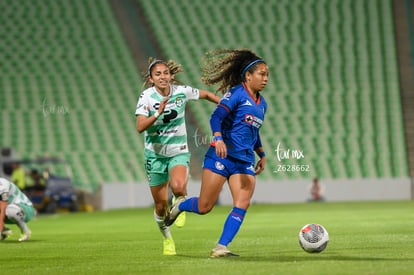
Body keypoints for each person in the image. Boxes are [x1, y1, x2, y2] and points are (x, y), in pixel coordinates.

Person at [165, 49, 269, 257]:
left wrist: (262, 153)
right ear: (248, 76)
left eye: (267, 75)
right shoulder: (237, 94)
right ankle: (182, 205)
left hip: (244, 161)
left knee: (242, 203)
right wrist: (218, 137)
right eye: (261, 74)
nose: (265, 79)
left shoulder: (262, 104)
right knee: (205, 206)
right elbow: (216, 117)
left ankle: (221, 246)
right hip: (220, 156)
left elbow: (253, 131)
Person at [135, 58, 220, 255]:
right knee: (160, 205)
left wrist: (225, 104)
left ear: (171, 75)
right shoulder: (146, 97)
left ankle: (180, 205)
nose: (163, 77)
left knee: (179, 187)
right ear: (151, 79)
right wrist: (157, 113)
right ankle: (167, 239)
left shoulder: (181, 91)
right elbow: (140, 127)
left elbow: (205, 94)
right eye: (158, 74)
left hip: (178, 151)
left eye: (166, 73)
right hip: (154, 155)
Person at [0, 177, 36, 242]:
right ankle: (4, 231)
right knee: (9, 209)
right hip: (8, 212)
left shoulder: (2, 184)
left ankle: (25, 231)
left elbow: (3, 208)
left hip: (25, 208)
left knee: (11, 210)